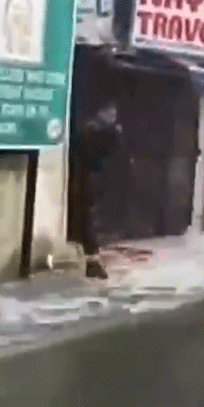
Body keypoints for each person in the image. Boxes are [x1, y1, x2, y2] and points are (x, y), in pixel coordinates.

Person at [79, 103, 124, 278]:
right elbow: (97, 154)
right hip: (89, 179)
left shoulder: (106, 131)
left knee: (94, 217)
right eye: (110, 114)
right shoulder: (94, 131)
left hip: (100, 180)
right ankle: (92, 260)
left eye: (115, 114)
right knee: (89, 218)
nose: (113, 118)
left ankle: (93, 258)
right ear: (101, 112)